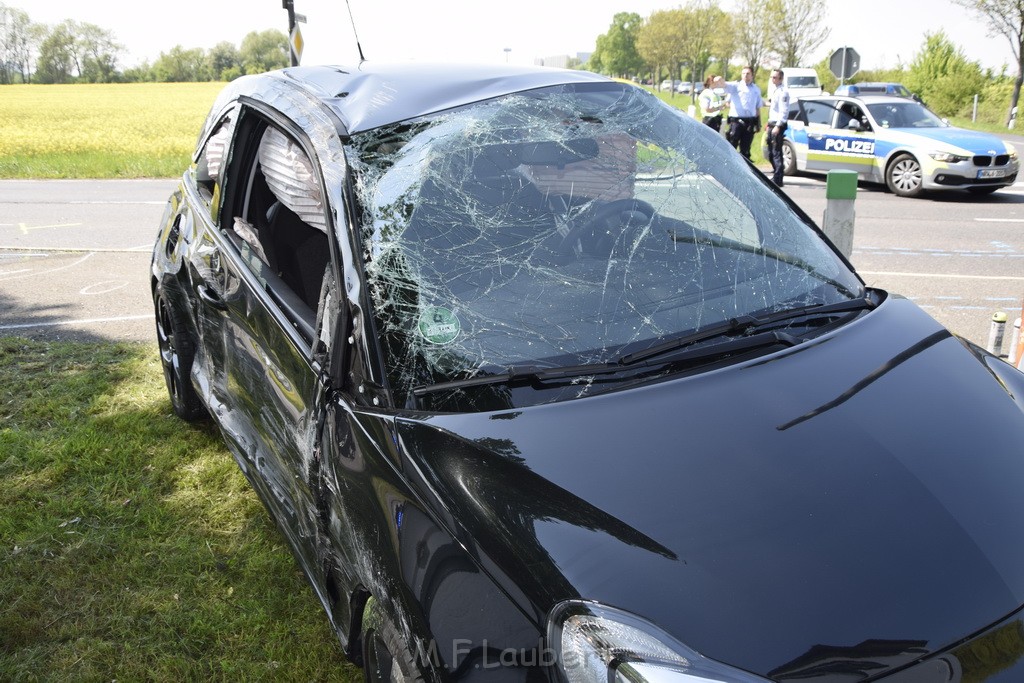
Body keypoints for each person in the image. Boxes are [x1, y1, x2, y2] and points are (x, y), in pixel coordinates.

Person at [715, 68, 763, 160]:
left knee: (746, 148)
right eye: (743, 73)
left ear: (752, 75)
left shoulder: (756, 90)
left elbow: (757, 108)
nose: (745, 75)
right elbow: (724, 84)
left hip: (749, 122)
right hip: (736, 122)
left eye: (748, 73)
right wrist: (719, 79)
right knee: (732, 145)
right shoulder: (736, 86)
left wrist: (758, 123)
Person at [765, 69, 791, 187]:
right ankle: (776, 174)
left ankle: (778, 178)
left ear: (781, 79)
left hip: (777, 125)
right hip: (772, 124)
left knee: (776, 152)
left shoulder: (783, 92)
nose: (772, 79)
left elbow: (784, 111)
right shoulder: (775, 91)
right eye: (771, 77)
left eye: (775, 77)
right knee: (770, 152)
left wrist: (778, 126)